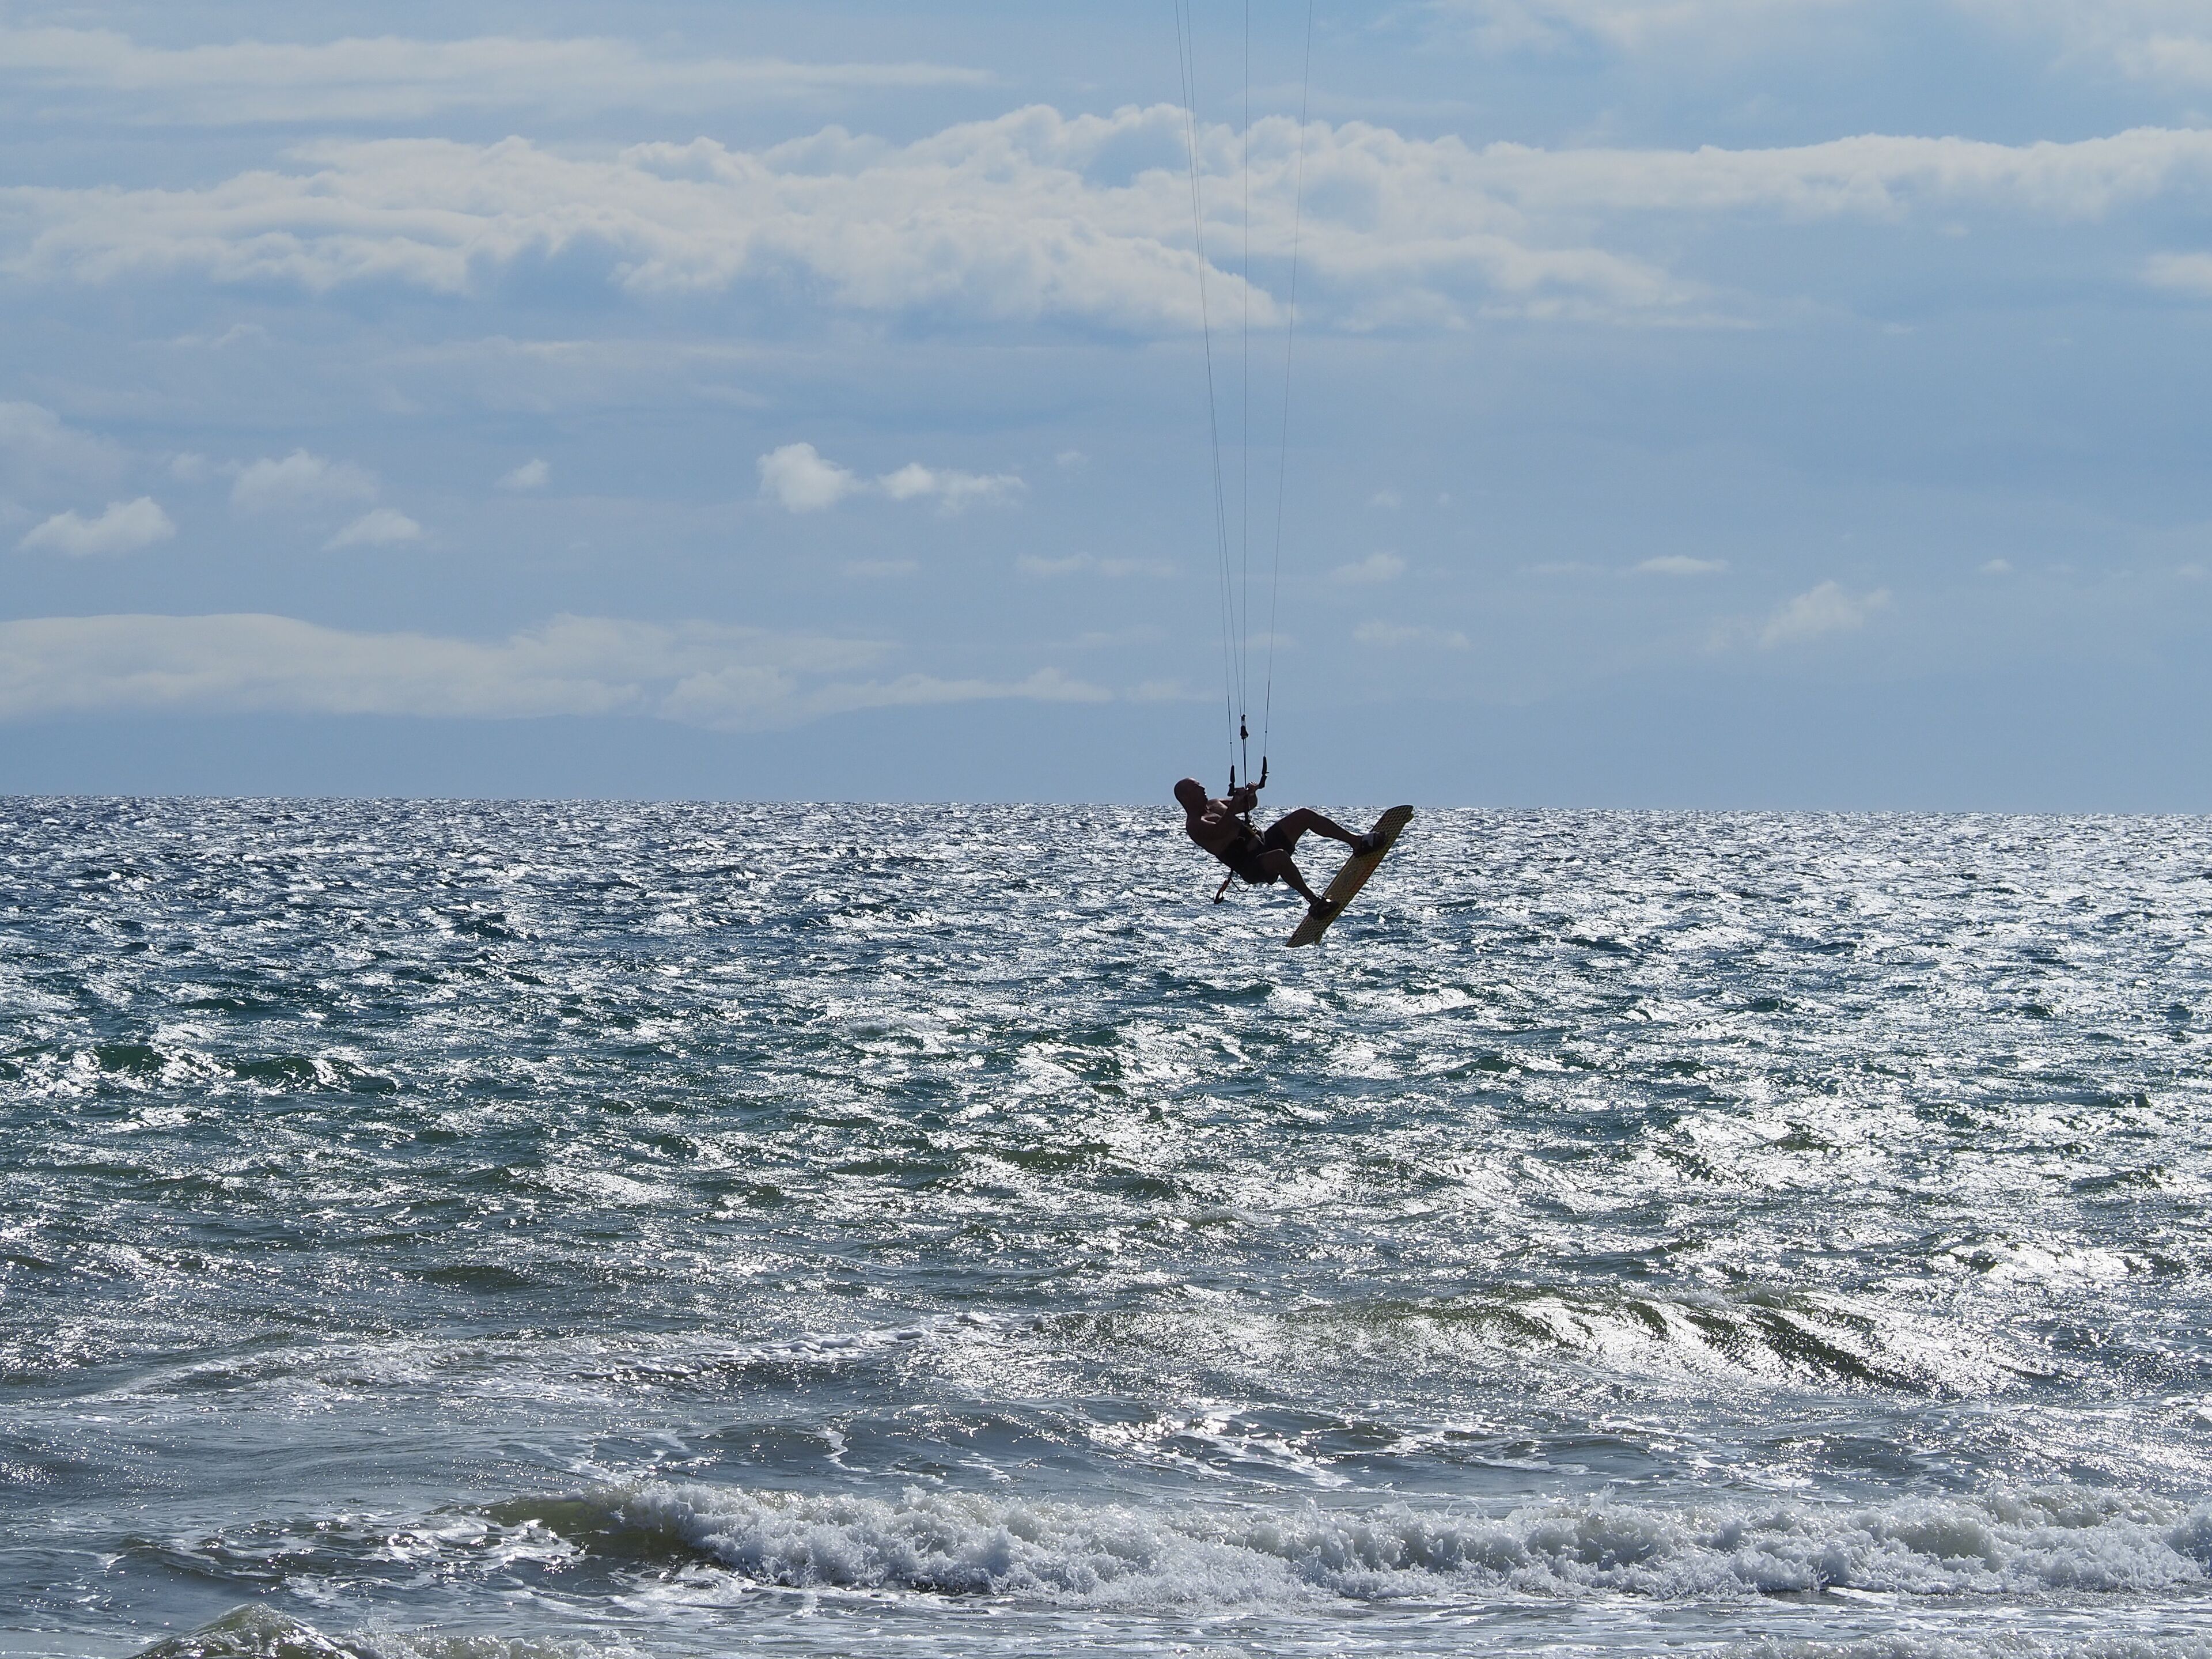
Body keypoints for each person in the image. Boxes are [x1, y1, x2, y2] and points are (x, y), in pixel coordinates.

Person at [1175, 777, 1381, 918]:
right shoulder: (1194, 825)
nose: (1203, 788)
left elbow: (1248, 806)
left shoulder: (1215, 803)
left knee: (1304, 815)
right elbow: (1219, 830)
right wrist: (1235, 805)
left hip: (1265, 842)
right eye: (1196, 787)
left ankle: (1357, 842)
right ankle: (1315, 903)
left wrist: (1251, 794)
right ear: (1186, 797)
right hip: (1250, 865)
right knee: (1280, 857)